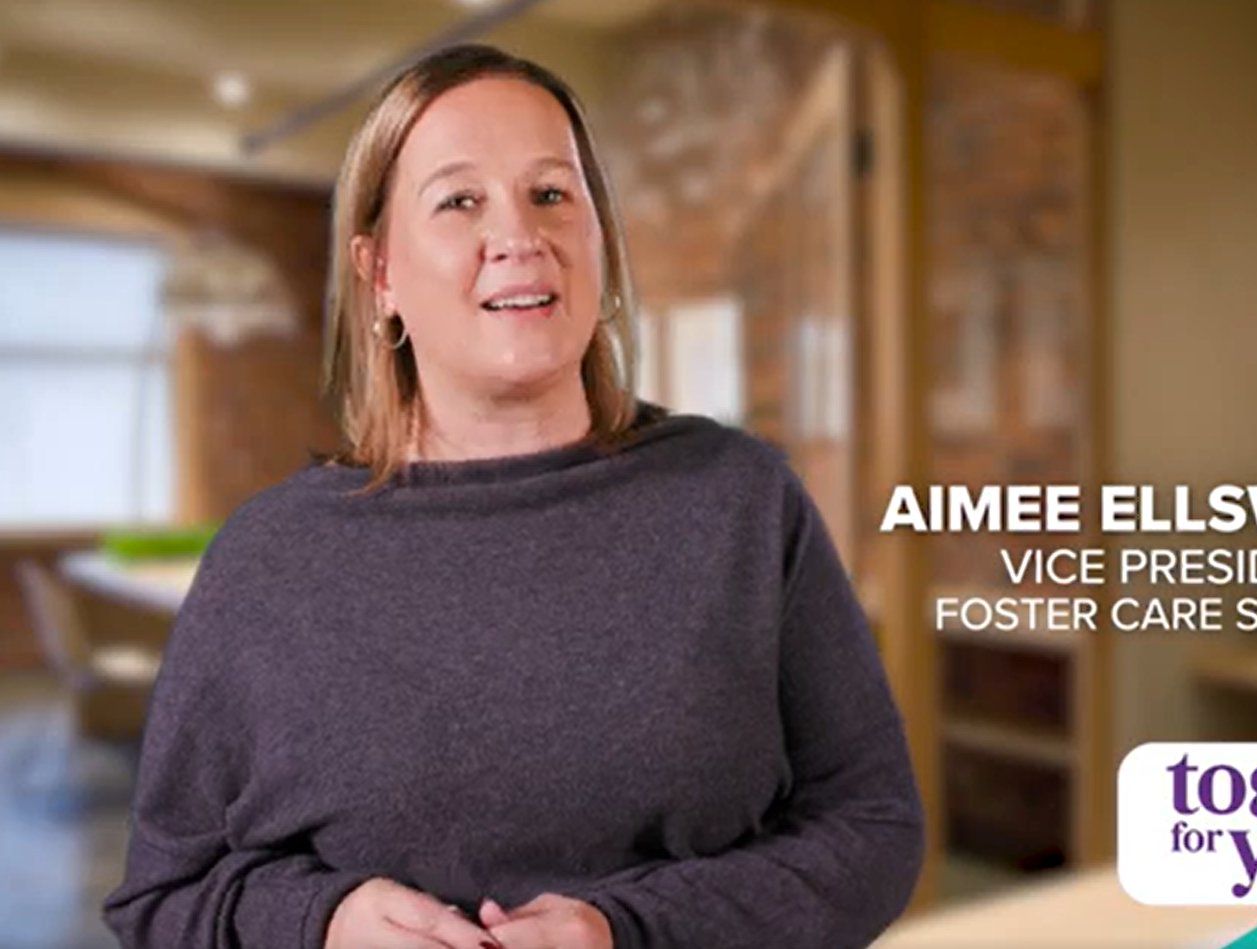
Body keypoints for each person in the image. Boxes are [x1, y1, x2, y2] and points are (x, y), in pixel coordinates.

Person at [102, 43, 925, 949]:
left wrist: (627, 931)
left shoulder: (739, 500)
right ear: (379, 275)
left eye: (551, 193)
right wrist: (320, 923)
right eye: (459, 201)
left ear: (597, 241)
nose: (519, 236)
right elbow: (160, 896)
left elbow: (873, 825)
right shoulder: (267, 558)